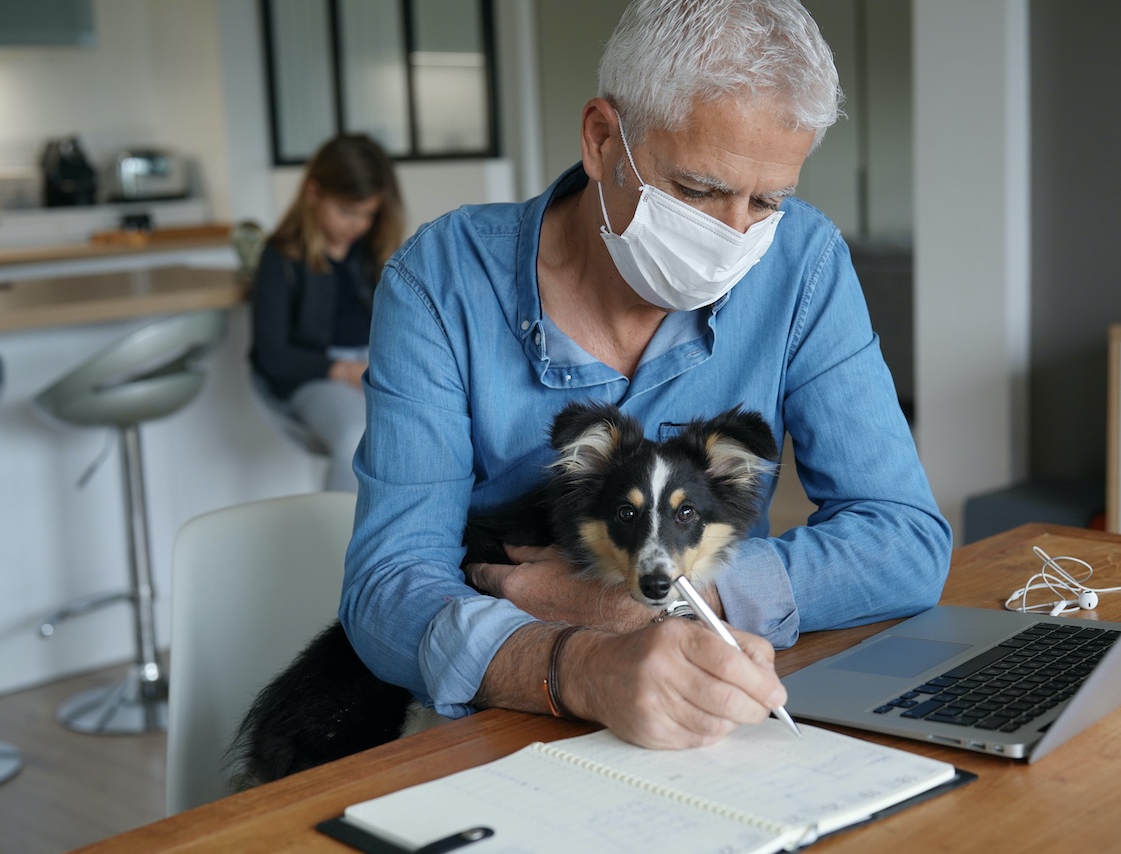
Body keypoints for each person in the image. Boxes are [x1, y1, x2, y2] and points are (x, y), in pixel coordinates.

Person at [340, 0, 952, 750]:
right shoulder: (441, 281)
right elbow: (388, 589)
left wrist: (659, 598)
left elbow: (904, 540)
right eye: (697, 191)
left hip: (705, 703)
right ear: (602, 140)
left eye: (766, 201)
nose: (733, 239)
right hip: (495, 722)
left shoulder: (803, 263)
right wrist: (580, 666)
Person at [248, 134, 405, 493]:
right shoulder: (281, 259)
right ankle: (338, 545)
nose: (358, 225)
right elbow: (271, 354)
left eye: (368, 214)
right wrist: (344, 370)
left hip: (372, 367)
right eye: (347, 211)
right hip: (316, 376)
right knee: (356, 434)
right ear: (313, 193)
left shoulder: (372, 252)